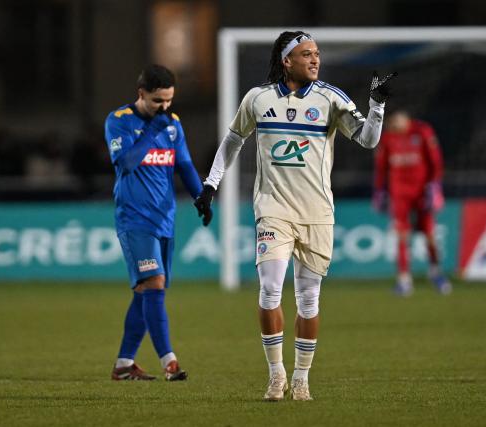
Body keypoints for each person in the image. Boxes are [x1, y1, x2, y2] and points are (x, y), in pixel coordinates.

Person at [193, 31, 396, 400]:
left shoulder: (331, 99)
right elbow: (234, 139)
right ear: (287, 61)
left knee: (308, 299)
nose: (315, 60)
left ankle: (302, 377)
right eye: (306, 54)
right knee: (269, 289)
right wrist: (211, 184)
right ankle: (276, 374)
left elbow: (367, 140)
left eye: (317, 53)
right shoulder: (258, 98)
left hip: (317, 212)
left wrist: (377, 105)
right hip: (273, 209)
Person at [104, 64, 211, 381]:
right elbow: (125, 163)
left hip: (165, 219)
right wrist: (151, 131)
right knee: (154, 285)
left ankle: (124, 364)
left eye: (169, 101)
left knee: (146, 292)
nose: (165, 107)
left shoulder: (173, 124)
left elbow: (185, 164)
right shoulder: (119, 121)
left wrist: (200, 196)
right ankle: (169, 362)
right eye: (157, 101)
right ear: (141, 94)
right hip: (135, 218)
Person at [372, 109, 452, 297]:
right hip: (399, 194)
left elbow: (436, 161)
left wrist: (435, 185)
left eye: (396, 122)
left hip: (422, 192)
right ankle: (404, 280)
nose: (393, 126)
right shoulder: (388, 137)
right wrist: (379, 190)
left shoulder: (422, 131)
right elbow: (381, 167)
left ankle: (435, 272)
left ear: (406, 119)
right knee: (401, 234)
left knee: (429, 232)